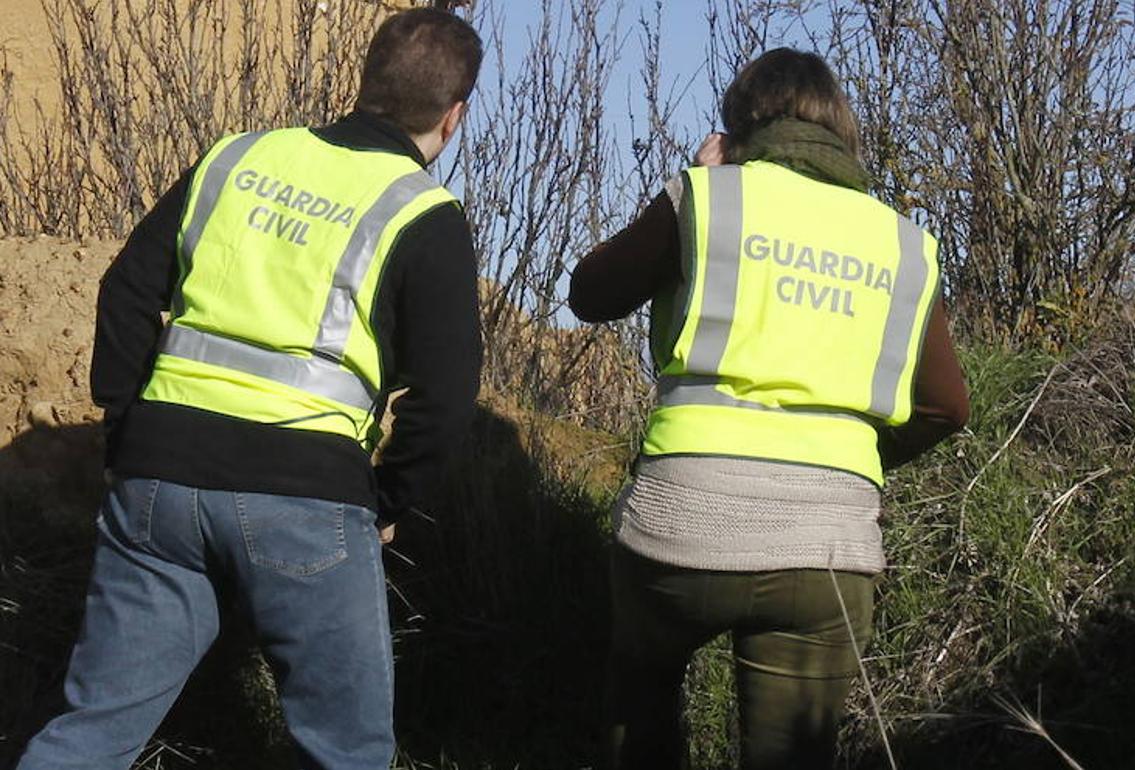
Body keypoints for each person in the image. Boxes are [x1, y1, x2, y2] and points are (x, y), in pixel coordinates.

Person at [16, 9, 483, 770]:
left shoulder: (240, 156)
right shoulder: (423, 212)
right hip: (305, 497)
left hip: (157, 479)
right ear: (454, 116)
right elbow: (446, 398)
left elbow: (128, 291)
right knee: (346, 752)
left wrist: (125, 427)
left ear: (363, 82)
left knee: (93, 730)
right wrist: (388, 501)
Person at [570, 48, 970, 769]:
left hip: (680, 525)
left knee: (639, 702)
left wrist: (689, 184)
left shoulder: (709, 197)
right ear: (841, 133)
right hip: (827, 547)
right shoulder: (905, 245)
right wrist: (844, 463)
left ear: (737, 128)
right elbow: (947, 407)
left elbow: (591, 295)